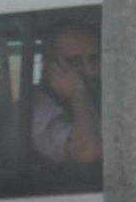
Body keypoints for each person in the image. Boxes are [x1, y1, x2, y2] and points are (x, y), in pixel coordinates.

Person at [31, 23, 103, 164]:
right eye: (74, 61)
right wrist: (78, 92)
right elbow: (88, 151)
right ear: (48, 65)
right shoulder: (38, 107)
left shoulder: (99, 94)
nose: (89, 70)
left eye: (94, 59)